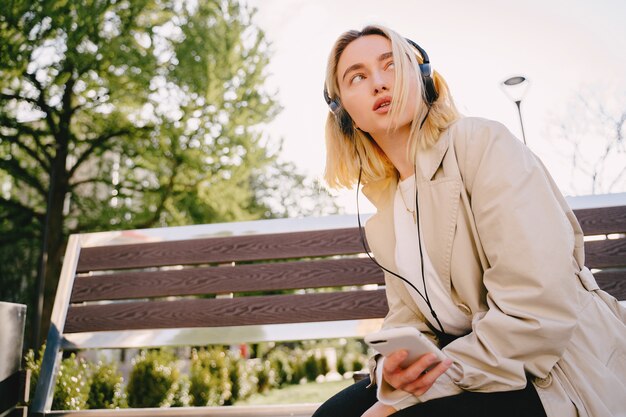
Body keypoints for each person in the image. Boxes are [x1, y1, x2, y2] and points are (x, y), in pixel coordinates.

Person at [313, 24, 626, 417]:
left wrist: (408, 398)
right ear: (345, 113)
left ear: (423, 79)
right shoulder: (388, 205)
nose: (378, 82)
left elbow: (536, 312)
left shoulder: (483, 144)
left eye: (392, 65)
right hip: (472, 362)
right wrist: (390, 370)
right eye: (357, 77)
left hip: (553, 370)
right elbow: (408, 319)